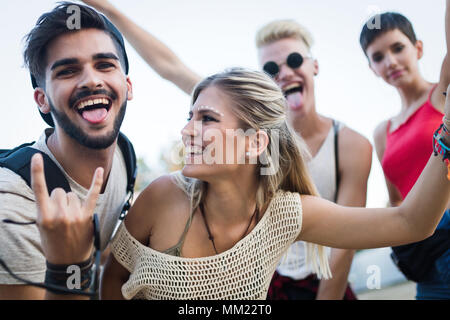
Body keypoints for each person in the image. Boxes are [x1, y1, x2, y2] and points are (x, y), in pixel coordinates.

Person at [32, 67, 450, 300]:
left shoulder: (286, 214)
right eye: (189, 116)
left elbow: (411, 222)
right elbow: (111, 279)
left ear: (254, 143)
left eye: (207, 119)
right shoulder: (163, 195)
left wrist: (446, 138)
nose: (187, 131)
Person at [81, 0, 372, 299]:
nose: (284, 72)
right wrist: (108, 9)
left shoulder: (348, 144)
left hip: (323, 280)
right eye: (271, 69)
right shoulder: (230, 118)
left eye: (294, 60)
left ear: (314, 65)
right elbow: (170, 67)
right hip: (261, 282)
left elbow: (347, 241)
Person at [0, 2, 134, 299]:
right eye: (68, 71)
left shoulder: (125, 156)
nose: (91, 80)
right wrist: (67, 264)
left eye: (105, 65)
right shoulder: (12, 208)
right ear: (42, 100)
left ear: (128, 86)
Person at [360, 1, 450, 299]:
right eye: (378, 57)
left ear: (419, 48)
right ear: (371, 68)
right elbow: (397, 199)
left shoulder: (443, 95)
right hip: (425, 255)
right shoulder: (381, 132)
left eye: (398, 48)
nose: (390, 61)